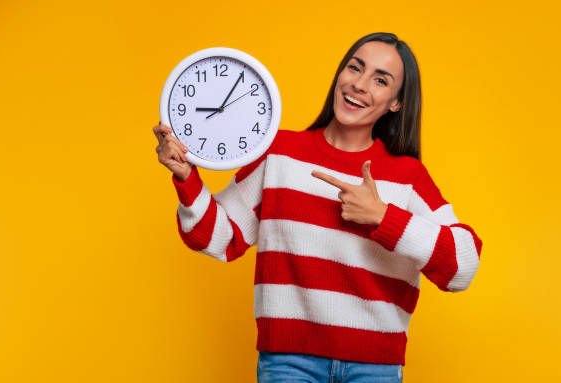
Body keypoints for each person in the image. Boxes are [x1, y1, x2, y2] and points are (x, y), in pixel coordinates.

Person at [154, 32, 483, 383]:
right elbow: (216, 238)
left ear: (395, 103)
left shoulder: (407, 176)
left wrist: (382, 217)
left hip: (375, 369)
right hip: (287, 364)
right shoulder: (279, 152)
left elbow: (463, 267)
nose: (359, 84)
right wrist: (188, 177)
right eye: (355, 68)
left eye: (380, 80)